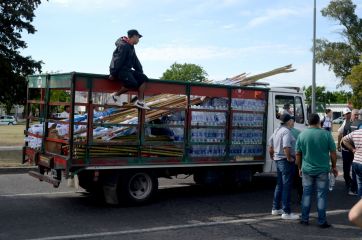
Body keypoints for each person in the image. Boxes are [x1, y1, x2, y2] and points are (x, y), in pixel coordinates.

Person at [296, 113, 337, 228]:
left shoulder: (302, 135)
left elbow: (298, 154)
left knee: (307, 194)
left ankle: (304, 219)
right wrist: (334, 167)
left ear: (308, 122)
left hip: (307, 170)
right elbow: (333, 153)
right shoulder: (326, 134)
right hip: (322, 170)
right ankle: (322, 221)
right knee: (321, 195)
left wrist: (299, 167)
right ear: (319, 122)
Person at [268, 113, 299, 220]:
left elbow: (270, 144)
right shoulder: (286, 131)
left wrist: (272, 155)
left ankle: (275, 208)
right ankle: (286, 212)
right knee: (286, 186)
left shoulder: (277, 130)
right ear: (288, 121)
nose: (293, 122)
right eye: (292, 120)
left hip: (278, 160)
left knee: (279, 185)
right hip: (285, 161)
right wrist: (289, 158)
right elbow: (286, 146)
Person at [109, 29, 150, 110]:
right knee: (132, 83)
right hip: (120, 70)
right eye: (138, 37)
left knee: (144, 78)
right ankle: (115, 96)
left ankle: (140, 101)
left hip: (127, 70)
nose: (139, 40)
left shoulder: (131, 47)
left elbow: (135, 61)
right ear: (134, 36)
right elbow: (117, 60)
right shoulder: (123, 46)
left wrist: (140, 73)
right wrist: (113, 73)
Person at [338, 108, 358, 195]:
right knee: (346, 167)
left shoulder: (356, 123)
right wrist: (339, 144)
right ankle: (348, 181)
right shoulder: (345, 123)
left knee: (353, 166)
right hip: (346, 149)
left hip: (353, 149)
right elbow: (339, 133)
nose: (347, 115)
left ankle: (353, 183)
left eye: (349, 113)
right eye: (346, 114)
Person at [342, 128, 362, 197]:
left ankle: (359, 205)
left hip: (356, 162)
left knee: (359, 186)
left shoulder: (356, 132)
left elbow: (344, 139)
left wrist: (352, 149)